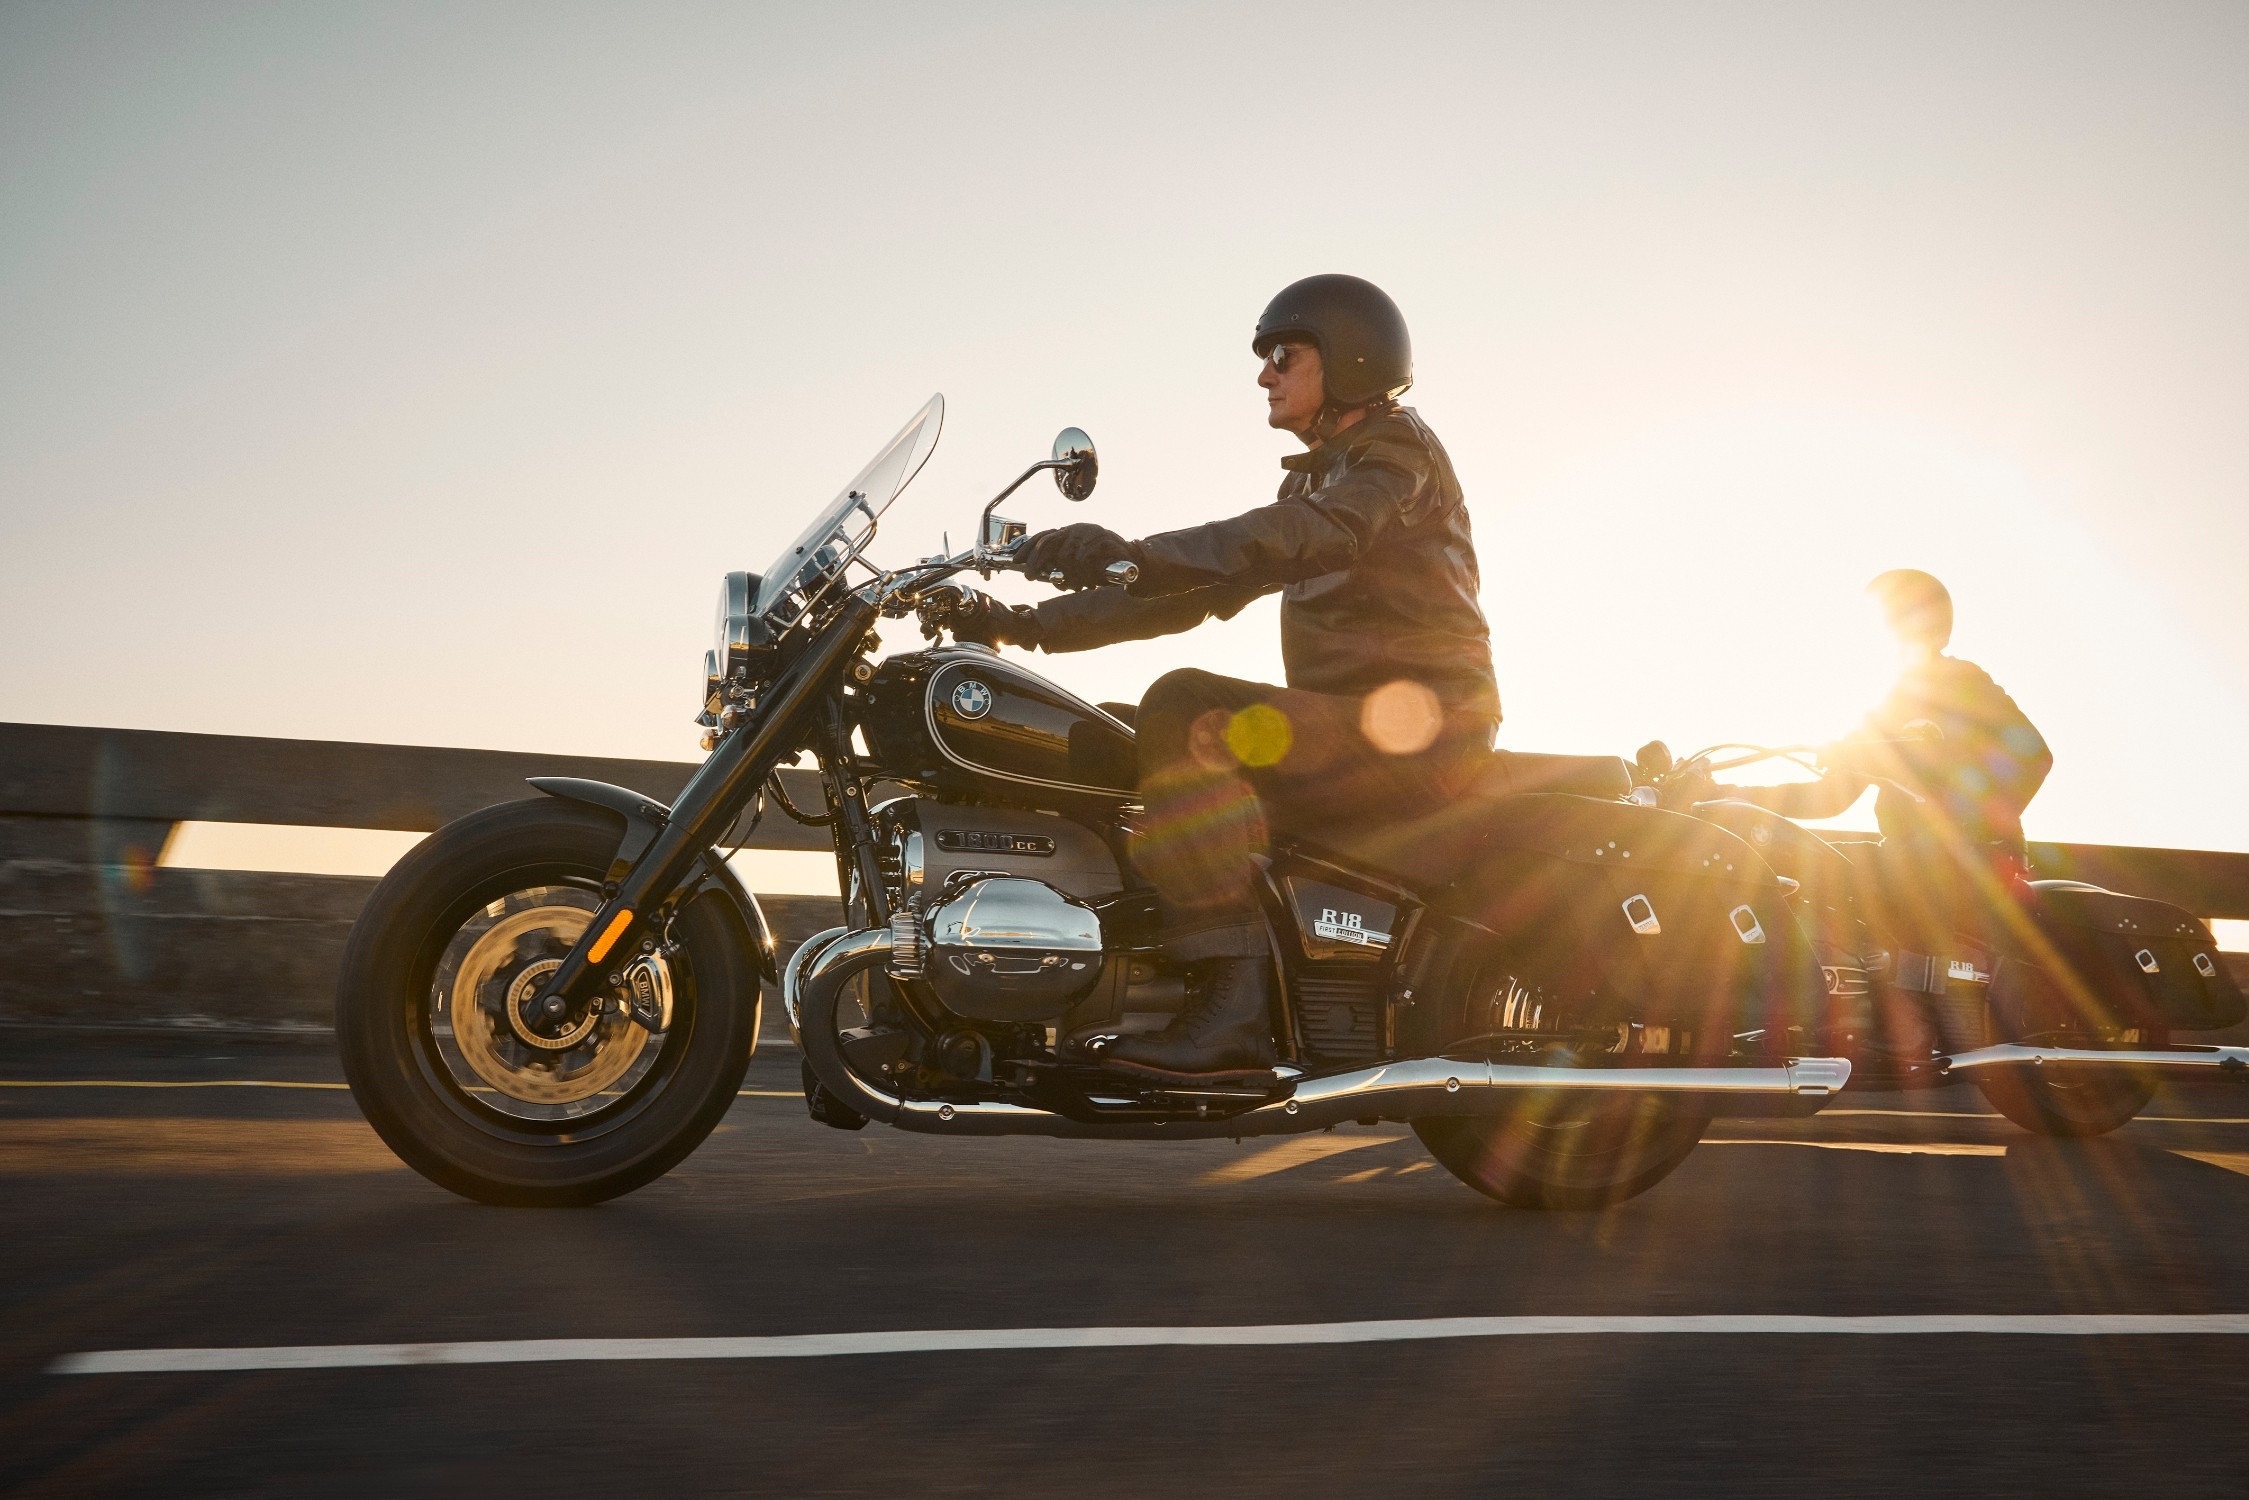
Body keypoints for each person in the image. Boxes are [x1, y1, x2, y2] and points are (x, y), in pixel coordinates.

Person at [957, 274, 1498, 1078]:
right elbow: (1195, 591)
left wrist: (1133, 552)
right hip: (1345, 726)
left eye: (1283, 354)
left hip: (1424, 735)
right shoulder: (1313, 483)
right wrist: (1021, 625)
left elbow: (1313, 533)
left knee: (1184, 705)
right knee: (1107, 730)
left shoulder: (1395, 456)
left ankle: (1233, 1009)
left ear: (1350, 359)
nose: (1263, 374)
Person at [1730, 569, 2051, 966]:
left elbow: (2035, 756)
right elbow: (1831, 798)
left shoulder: (1965, 682)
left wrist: (1965, 825)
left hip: (1971, 869)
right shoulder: (1884, 706)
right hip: (1905, 860)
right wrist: (1728, 796)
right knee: (1797, 865)